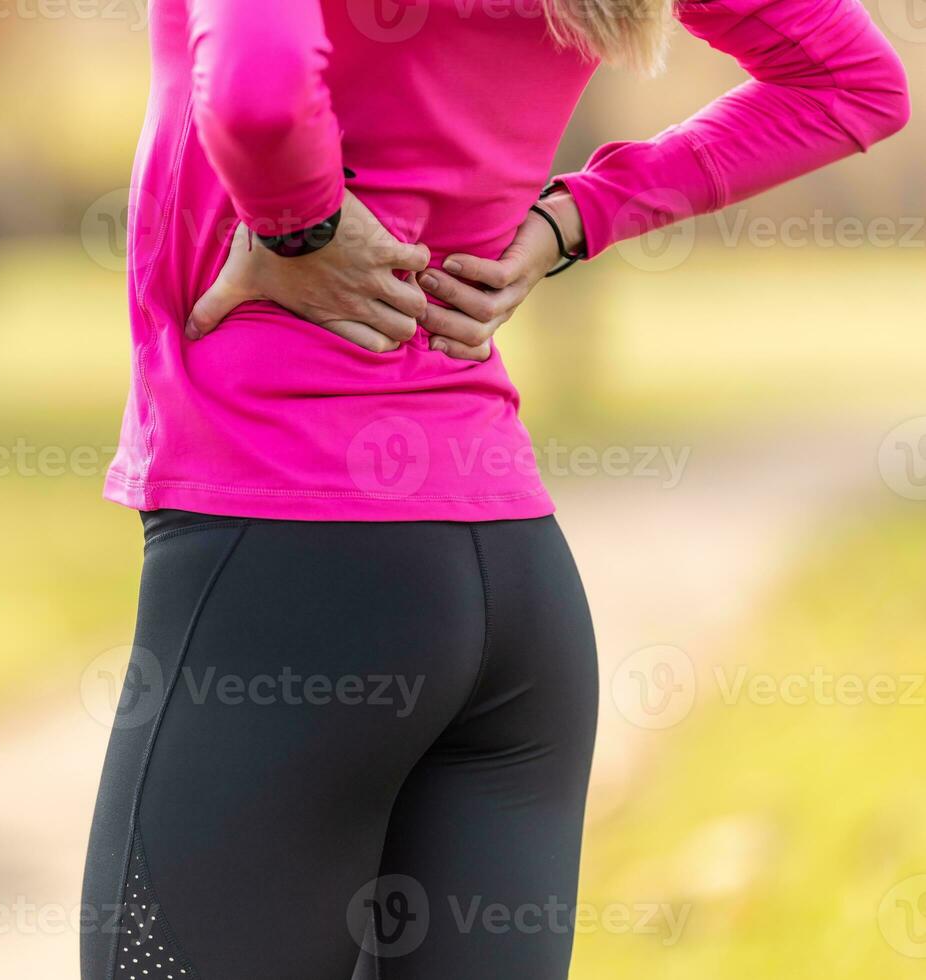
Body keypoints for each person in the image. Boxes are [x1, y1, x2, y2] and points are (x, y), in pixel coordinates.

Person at [83, 1, 909, 977]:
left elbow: (259, 88)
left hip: (287, 558)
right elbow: (854, 82)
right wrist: (577, 216)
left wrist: (300, 227)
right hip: (513, 596)